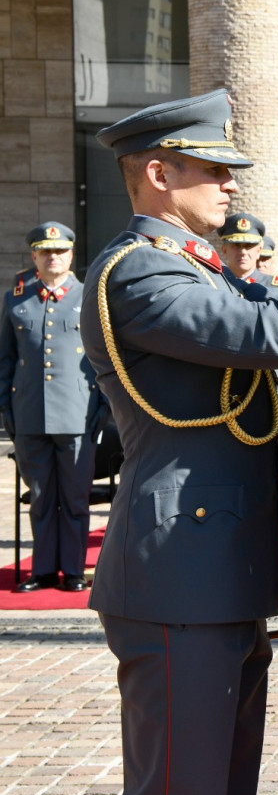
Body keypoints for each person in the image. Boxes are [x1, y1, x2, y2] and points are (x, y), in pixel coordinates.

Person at [81, 88, 278, 795]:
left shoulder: (197, 267)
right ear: (159, 174)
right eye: (213, 168)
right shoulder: (138, 268)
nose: (231, 183)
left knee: (226, 783)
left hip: (215, 566)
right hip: (179, 573)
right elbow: (277, 333)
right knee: (181, 787)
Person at [1, 222, 107, 592]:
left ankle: (73, 570)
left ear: (71, 255)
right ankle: (43, 570)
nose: (53, 257)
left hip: (78, 415)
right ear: (34, 256)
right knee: (41, 498)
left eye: (60, 251)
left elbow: (104, 360)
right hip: (29, 414)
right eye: (45, 251)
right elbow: (6, 361)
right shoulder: (16, 299)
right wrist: (8, 411)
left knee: (75, 499)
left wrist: (102, 411)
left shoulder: (89, 296)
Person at [218, 211, 278, 429]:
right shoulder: (211, 284)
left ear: (259, 250)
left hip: (266, 395)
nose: (243, 252)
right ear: (224, 249)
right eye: (236, 245)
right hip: (218, 394)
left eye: (249, 246)